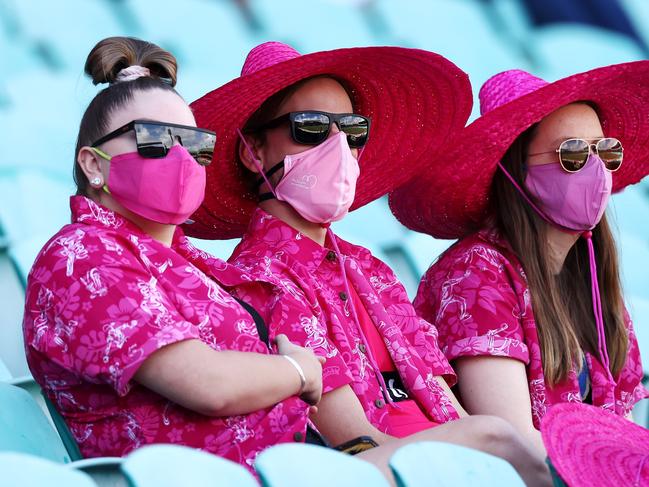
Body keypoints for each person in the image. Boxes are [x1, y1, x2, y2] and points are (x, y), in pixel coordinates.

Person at [186, 41, 551, 485]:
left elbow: (445, 404)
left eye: (353, 130)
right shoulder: (257, 279)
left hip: (448, 461)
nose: (338, 145)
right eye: (311, 127)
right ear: (253, 152)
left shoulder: (371, 269)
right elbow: (352, 439)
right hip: (372, 469)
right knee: (501, 437)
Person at [22, 36, 325, 472]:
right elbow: (207, 384)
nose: (181, 157)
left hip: (297, 464)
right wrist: (298, 372)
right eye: (153, 139)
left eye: (195, 143)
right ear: (93, 164)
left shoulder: (197, 266)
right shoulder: (80, 256)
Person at [389, 64, 649, 457]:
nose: (597, 168)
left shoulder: (591, 276)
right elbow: (513, 443)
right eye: (573, 153)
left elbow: (623, 432)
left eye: (605, 151)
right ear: (517, 172)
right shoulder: (475, 273)